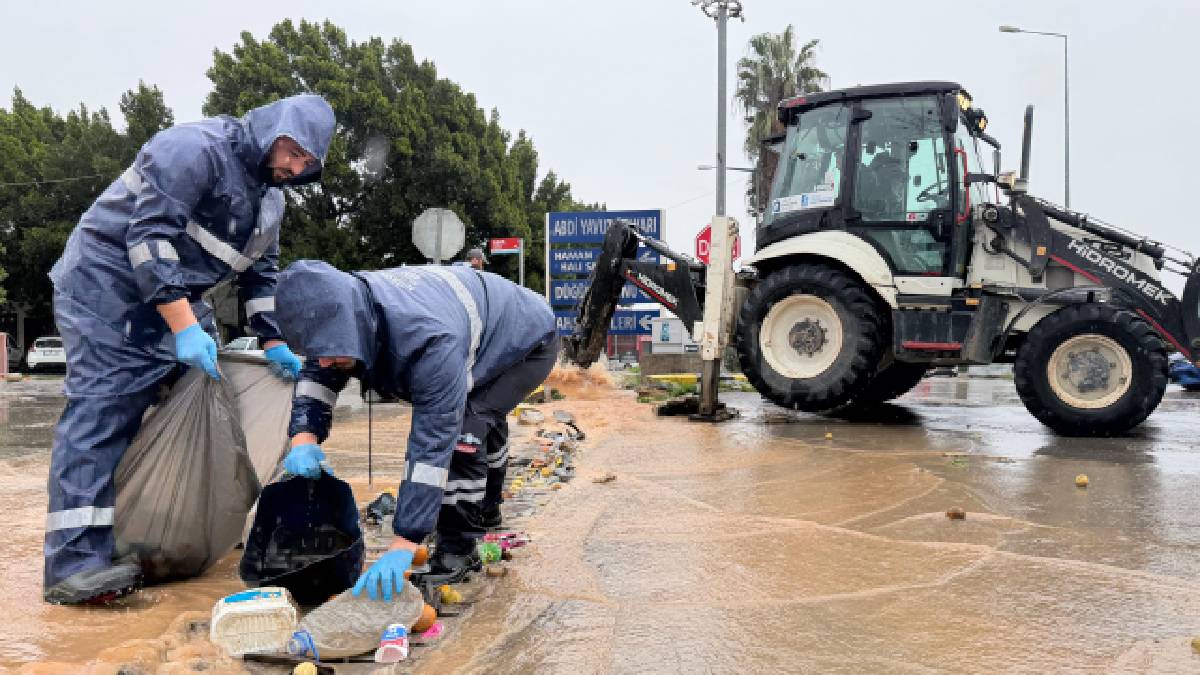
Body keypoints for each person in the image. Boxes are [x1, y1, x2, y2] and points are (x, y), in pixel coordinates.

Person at [43, 94, 336, 605]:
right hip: (104, 290)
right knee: (104, 411)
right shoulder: (192, 149)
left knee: (208, 406)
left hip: (175, 295)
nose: (294, 168)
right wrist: (183, 328)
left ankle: (163, 535)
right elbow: (150, 239)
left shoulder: (271, 201)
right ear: (273, 130)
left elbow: (261, 274)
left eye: (307, 164)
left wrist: (273, 340)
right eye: (292, 152)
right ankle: (72, 566)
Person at [275, 260, 558, 600]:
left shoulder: (429, 343)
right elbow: (317, 379)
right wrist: (303, 439)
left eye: (329, 352)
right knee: (481, 417)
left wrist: (404, 543)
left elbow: (432, 445)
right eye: (313, 352)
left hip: (527, 344)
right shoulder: (342, 313)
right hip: (480, 328)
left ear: (354, 327)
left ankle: (459, 548)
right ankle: (487, 510)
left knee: (464, 436)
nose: (322, 363)